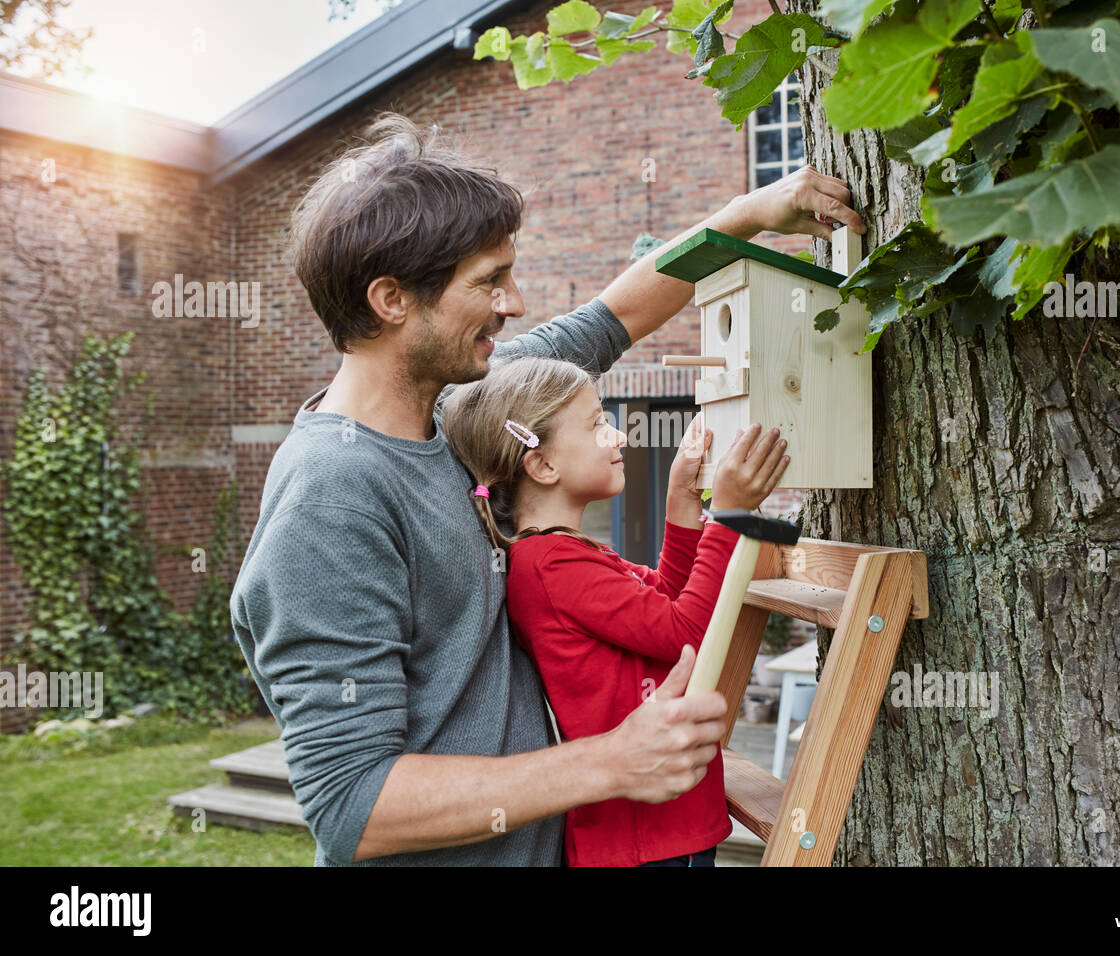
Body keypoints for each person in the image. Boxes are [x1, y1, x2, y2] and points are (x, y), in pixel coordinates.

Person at [228, 111, 866, 866]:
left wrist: (750, 215)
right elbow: (352, 808)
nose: (516, 303)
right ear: (392, 300)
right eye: (490, 281)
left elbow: (612, 317)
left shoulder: (466, 406)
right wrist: (612, 762)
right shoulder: (331, 497)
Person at [441, 357, 788, 866]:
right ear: (542, 465)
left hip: (659, 829)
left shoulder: (570, 554)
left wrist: (680, 507)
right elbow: (686, 631)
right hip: (647, 838)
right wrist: (730, 515)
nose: (620, 437)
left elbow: (668, 603)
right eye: (599, 424)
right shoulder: (551, 565)